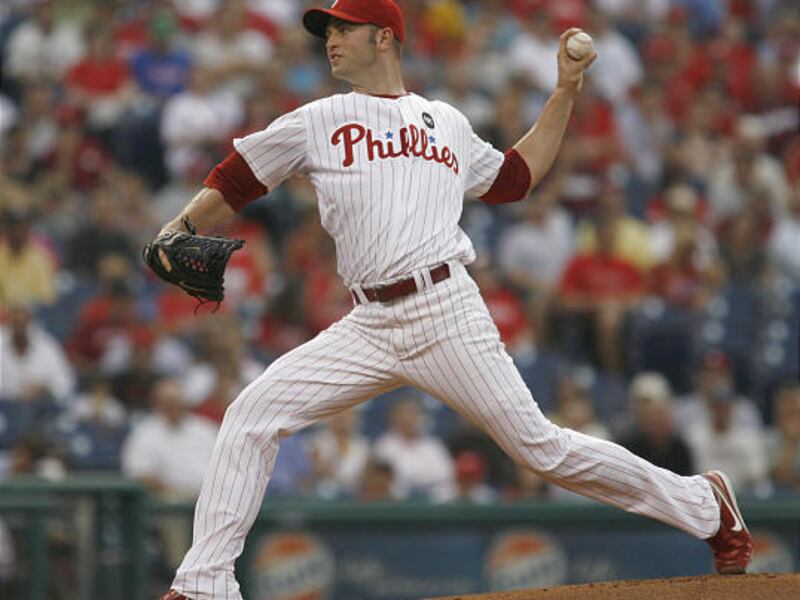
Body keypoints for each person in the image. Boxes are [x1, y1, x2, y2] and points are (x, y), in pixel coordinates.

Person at [157, 2, 750, 598]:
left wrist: (565, 91)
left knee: (541, 449)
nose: (330, 40)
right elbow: (237, 177)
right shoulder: (319, 118)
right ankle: (205, 583)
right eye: (327, 31)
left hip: (444, 310)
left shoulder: (446, 121)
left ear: (383, 38)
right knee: (251, 416)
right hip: (367, 323)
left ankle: (705, 503)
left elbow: (515, 178)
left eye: (343, 28)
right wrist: (178, 229)